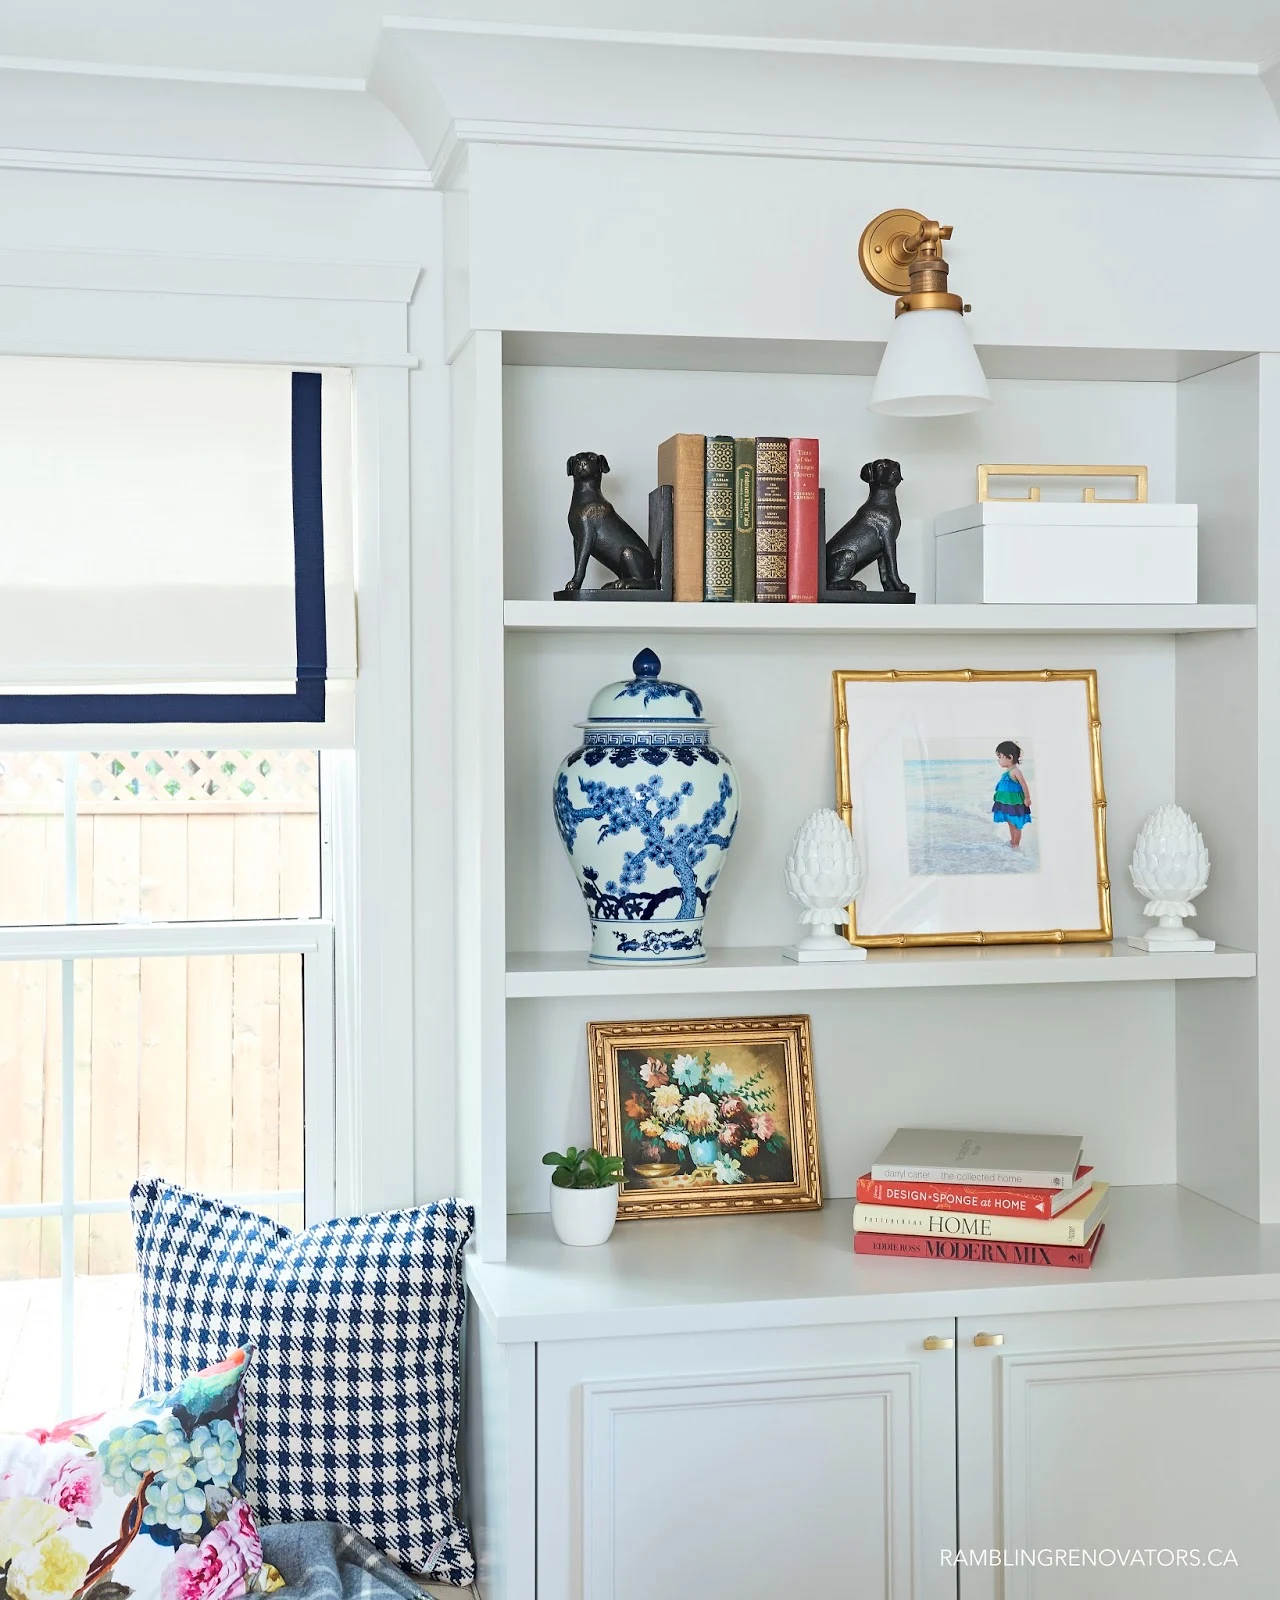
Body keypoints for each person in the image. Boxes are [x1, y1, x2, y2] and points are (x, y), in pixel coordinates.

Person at [992, 740, 1032, 848]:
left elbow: (1024, 784)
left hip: (1015, 803)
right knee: (1010, 822)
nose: (998, 760)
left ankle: (1016, 844)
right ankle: (1012, 841)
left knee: (1016, 824)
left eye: (1000, 757)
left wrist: (1027, 798)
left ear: (1009, 757)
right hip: (1008, 803)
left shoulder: (1015, 771)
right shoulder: (1007, 772)